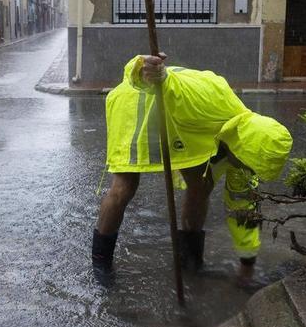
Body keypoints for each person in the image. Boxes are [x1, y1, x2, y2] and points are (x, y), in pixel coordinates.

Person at [92, 54, 293, 285]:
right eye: (245, 164)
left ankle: (189, 259)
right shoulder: (210, 100)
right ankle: (101, 261)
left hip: (183, 124)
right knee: (125, 187)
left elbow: (243, 211)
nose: (245, 169)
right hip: (139, 100)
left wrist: (247, 265)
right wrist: (149, 71)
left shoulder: (249, 151)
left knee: (201, 185)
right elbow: (143, 73)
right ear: (238, 149)